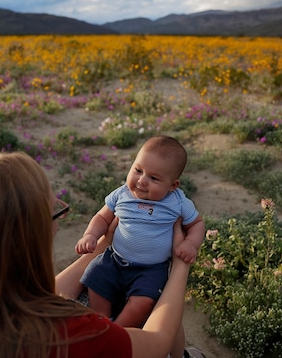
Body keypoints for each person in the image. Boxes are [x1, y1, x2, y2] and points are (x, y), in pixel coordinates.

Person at [0, 151, 192, 358]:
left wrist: (99, 250)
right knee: (169, 317)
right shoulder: (69, 333)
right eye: (54, 212)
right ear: (30, 235)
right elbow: (157, 342)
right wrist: (179, 266)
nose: (57, 221)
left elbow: (42, 293)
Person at [75, 136, 205, 328]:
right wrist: (91, 235)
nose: (142, 181)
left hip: (151, 269)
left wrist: (191, 243)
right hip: (114, 259)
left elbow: (196, 224)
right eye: (138, 170)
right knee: (95, 278)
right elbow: (102, 217)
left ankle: (119, 330)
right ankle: (103, 321)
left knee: (144, 301)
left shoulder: (177, 202)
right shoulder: (121, 194)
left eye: (153, 178)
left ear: (172, 186)